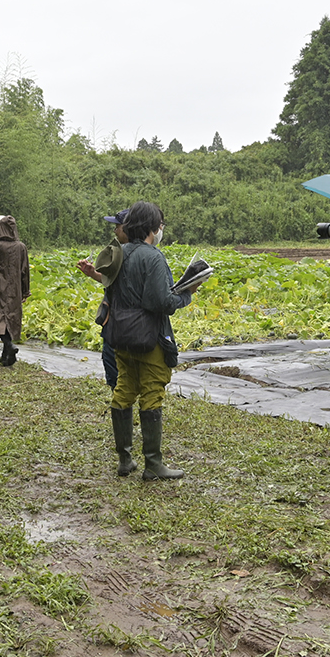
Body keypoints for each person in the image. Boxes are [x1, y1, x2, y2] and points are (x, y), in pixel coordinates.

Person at [106, 201, 202, 480]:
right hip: (149, 337)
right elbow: (161, 301)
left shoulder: (118, 253)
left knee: (124, 388)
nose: (160, 230)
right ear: (152, 227)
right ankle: (153, 464)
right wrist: (187, 292)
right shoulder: (154, 257)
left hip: (120, 335)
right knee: (152, 393)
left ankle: (125, 460)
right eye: (160, 225)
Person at [77, 209, 129, 389]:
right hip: (113, 323)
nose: (115, 231)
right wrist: (93, 273)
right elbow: (111, 281)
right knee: (113, 372)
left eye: (117, 227)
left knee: (123, 379)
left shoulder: (137, 256)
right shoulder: (118, 253)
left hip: (126, 325)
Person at [0, 215, 30, 366]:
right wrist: (25, 291)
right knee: (9, 318)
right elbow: (25, 270)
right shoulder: (21, 246)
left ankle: (9, 346)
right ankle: (7, 356)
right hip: (14, 288)